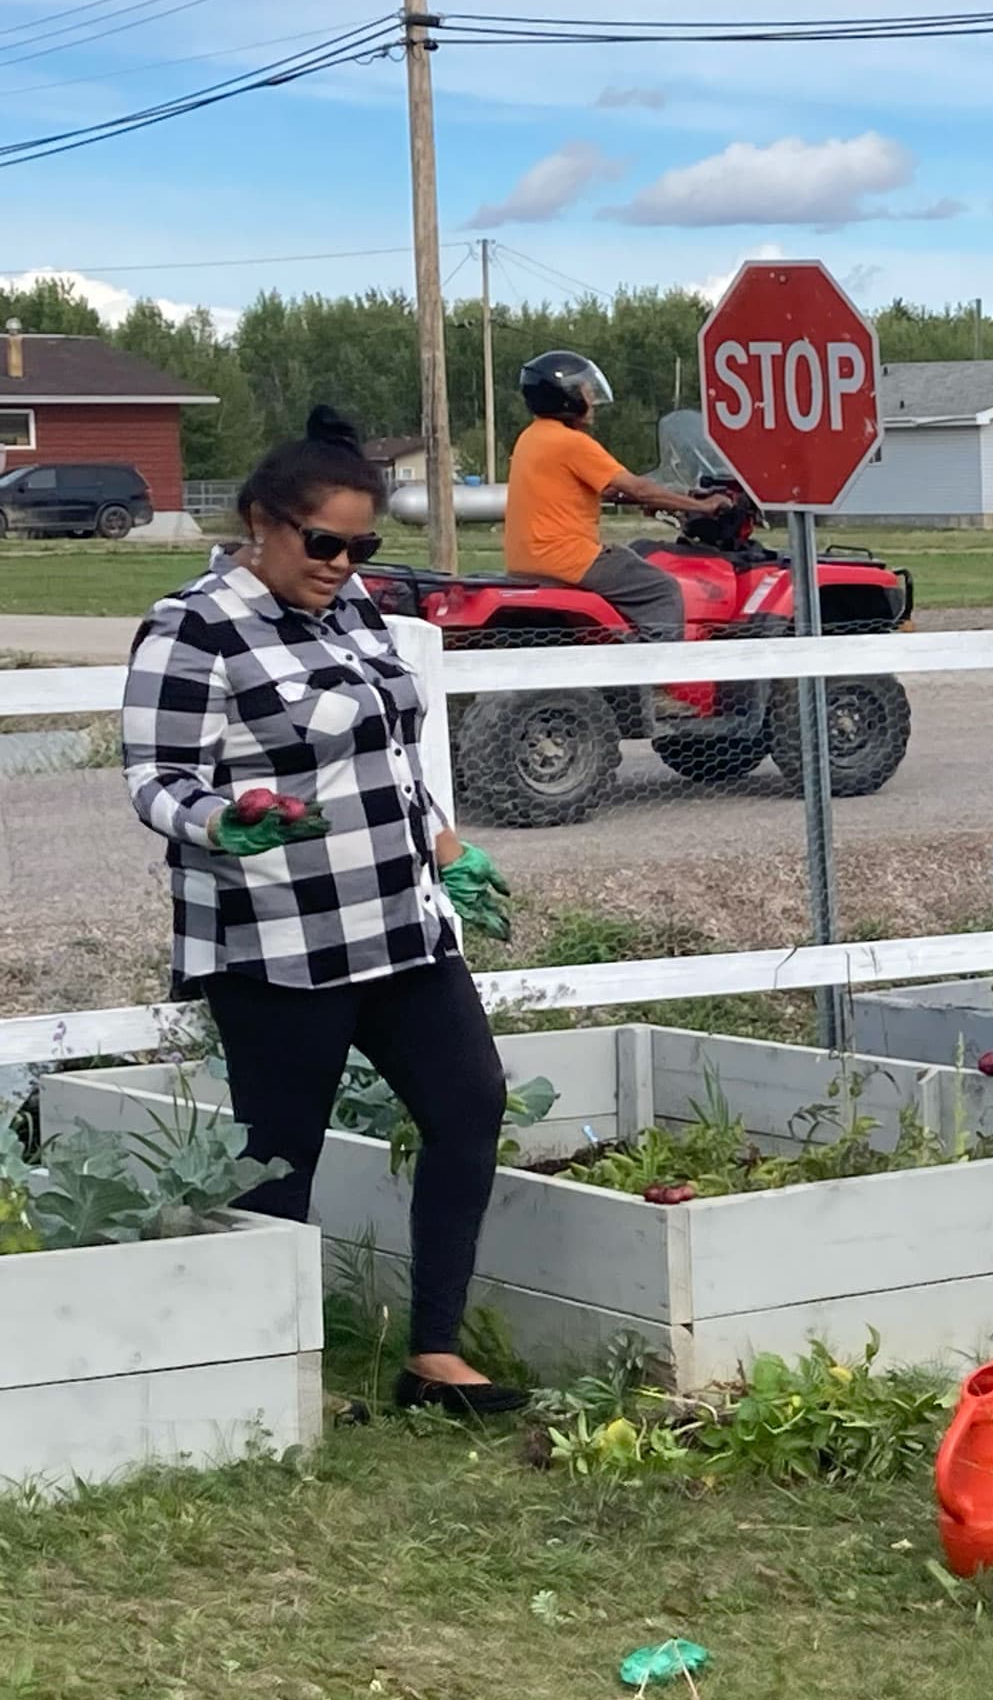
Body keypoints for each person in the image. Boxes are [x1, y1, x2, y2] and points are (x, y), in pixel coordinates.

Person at [122, 408, 524, 1417]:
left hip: (399, 923)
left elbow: (388, 754)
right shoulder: (194, 627)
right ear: (261, 521)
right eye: (324, 542)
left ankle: (433, 1354)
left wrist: (448, 849)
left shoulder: (355, 613)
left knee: (470, 1104)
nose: (343, 563)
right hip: (277, 938)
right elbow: (155, 779)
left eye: (362, 545)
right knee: (279, 1154)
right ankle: (274, 1374)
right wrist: (227, 819)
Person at [501, 349, 719, 643]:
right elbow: (637, 487)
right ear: (567, 396)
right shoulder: (572, 443)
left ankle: (625, 646)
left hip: (527, 560)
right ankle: (657, 679)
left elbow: (611, 490)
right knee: (662, 590)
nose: (591, 397)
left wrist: (666, 499)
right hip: (566, 557)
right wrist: (702, 506)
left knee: (631, 556)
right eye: (585, 389)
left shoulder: (531, 437)